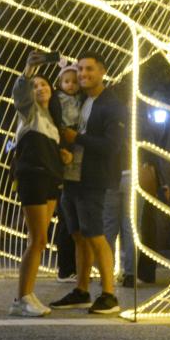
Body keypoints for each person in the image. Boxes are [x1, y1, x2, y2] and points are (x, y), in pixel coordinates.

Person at [49, 51, 126, 315]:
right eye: (80, 69)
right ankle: (82, 290)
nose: (83, 74)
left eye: (89, 69)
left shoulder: (112, 105)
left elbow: (112, 146)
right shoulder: (78, 100)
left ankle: (109, 295)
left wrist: (76, 138)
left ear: (102, 72)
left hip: (94, 179)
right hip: (72, 178)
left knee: (95, 235)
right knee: (78, 236)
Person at [8, 52, 68, 317]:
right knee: (38, 239)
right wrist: (29, 69)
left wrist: (62, 155)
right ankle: (22, 298)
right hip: (33, 177)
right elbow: (20, 91)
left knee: (41, 240)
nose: (40, 87)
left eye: (44, 84)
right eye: (36, 85)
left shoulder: (52, 122)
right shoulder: (28, 113)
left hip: (51, 180)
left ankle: (27, 294)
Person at [51, 64, 82, 283]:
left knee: (74, 222)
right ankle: (65, 268)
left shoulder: (82, 101)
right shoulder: (56, 102)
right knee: (66, 220)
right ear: (60, 83)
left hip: (77, 159)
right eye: (66, 81)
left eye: (74, 81)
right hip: (63, 153)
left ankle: (74, 267)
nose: (71, 85)